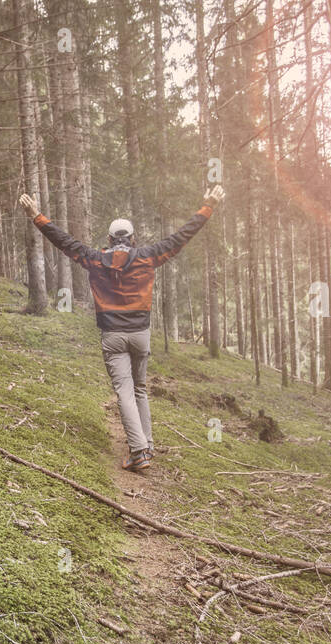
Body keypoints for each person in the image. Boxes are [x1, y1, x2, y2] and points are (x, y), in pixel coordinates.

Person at [19, 185, 225, 473]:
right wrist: (208, 206)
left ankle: (140, 451)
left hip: (112, 336)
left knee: (125, 392)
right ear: (132, 239)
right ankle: (147, 444)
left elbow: (63, 241)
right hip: (141, 334)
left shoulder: (95, 258)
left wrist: (36, 216)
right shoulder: (148, 256)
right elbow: (182, 237)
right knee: (139, 389)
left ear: (108, 239)